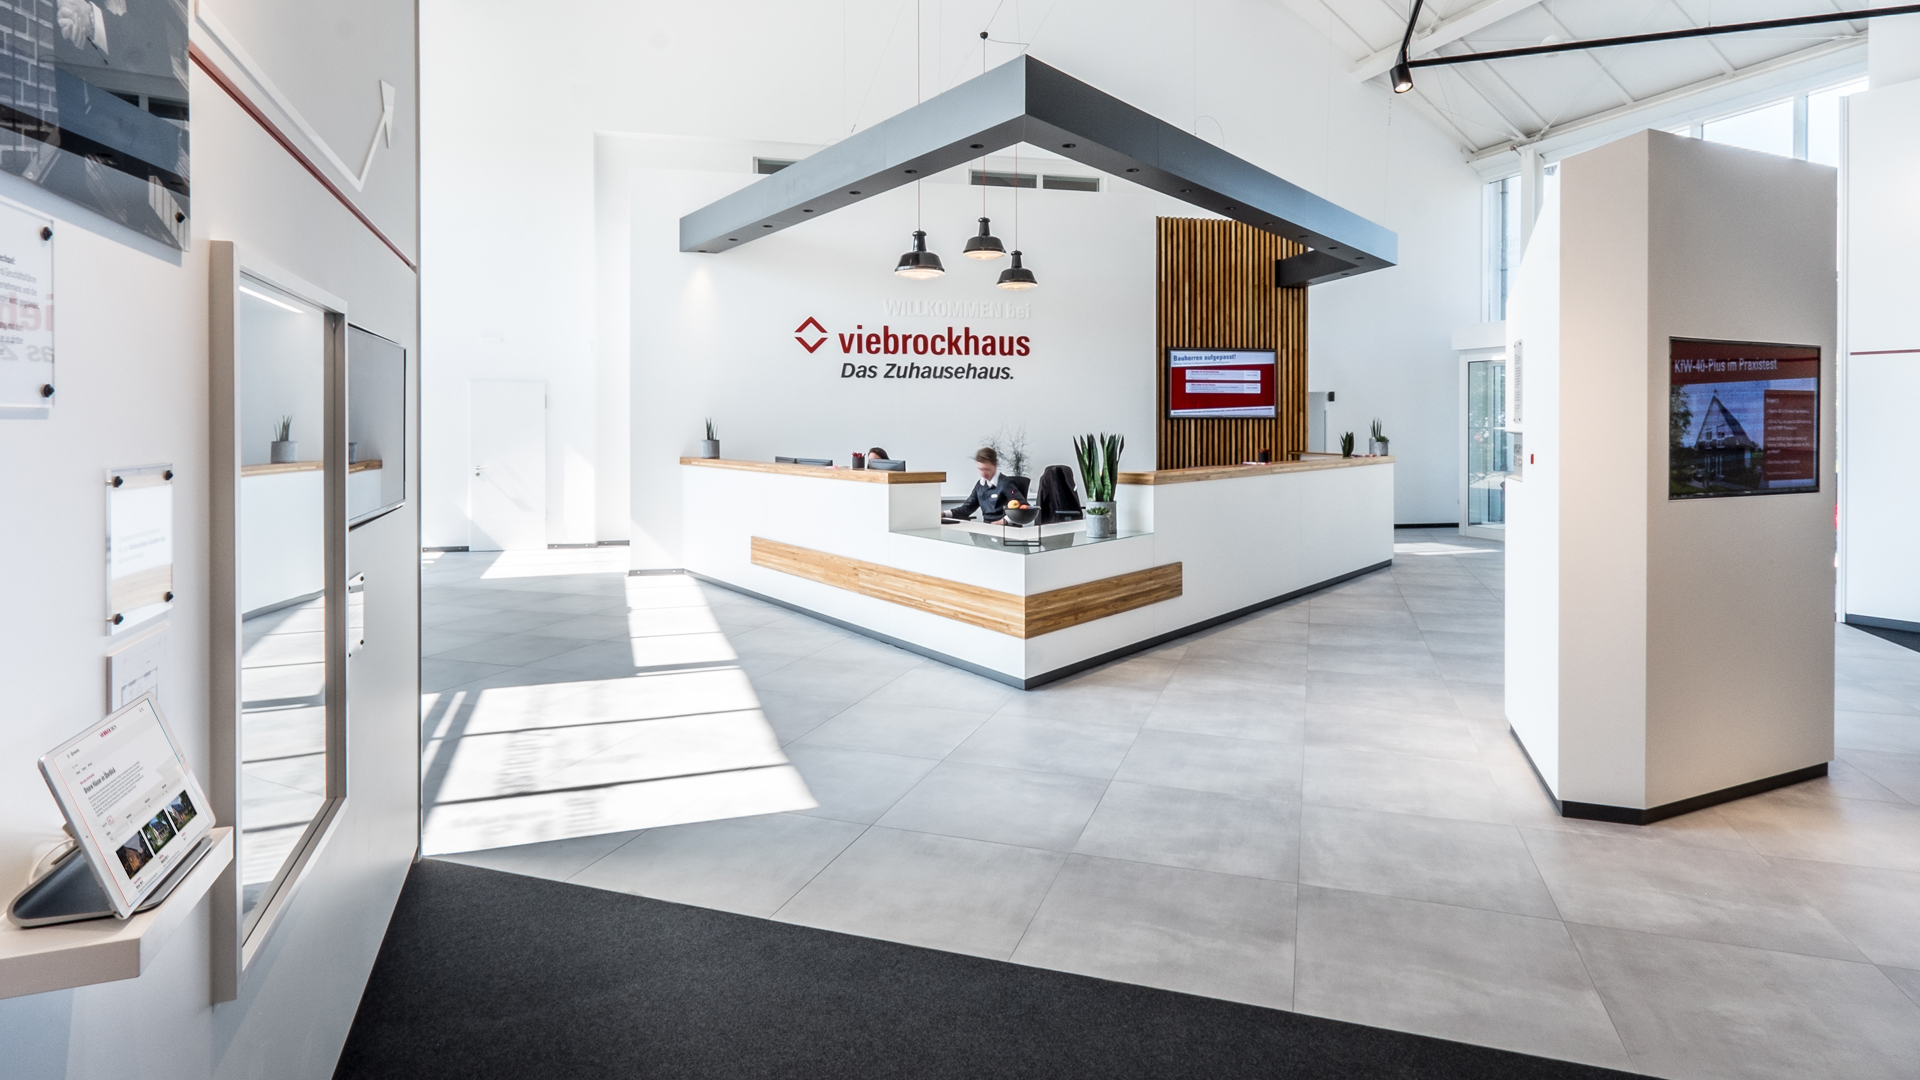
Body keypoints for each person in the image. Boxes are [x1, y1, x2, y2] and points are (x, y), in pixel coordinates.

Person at [947, 447, 1019, 523]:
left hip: (1005, 528)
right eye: (980, 469)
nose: (983, 473)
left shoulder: (1006, 484)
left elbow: (1022, 506)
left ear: (995, 465)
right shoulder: (980, 485)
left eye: (986, 469)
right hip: (987, 526)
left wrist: (1005, 521)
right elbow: (966, 508)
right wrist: (945, 514)